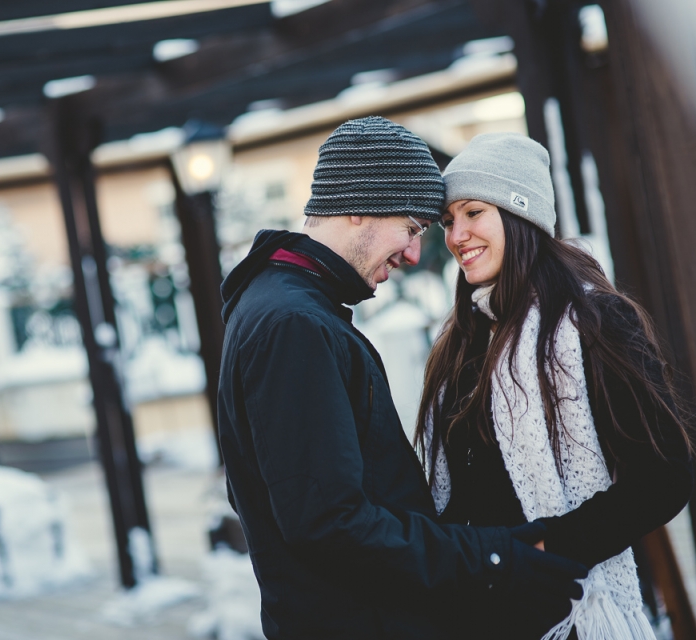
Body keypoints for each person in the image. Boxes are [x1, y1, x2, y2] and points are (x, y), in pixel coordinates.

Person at [217, 116, 587, 640]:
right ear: (358, 205)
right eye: (411, 228)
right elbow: (330, 523)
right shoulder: (293, 325)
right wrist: (494, 557)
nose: (415, 254)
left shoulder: (285, 309)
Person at [416, 132, 694, 639]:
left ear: (520, 213)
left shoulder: (593, 322)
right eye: (448, 220)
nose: (456, 235)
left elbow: (663, 476)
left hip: (572, 614)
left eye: (473, 212)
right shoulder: (461, 340)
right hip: (482, 617)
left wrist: (548, 547)